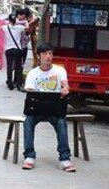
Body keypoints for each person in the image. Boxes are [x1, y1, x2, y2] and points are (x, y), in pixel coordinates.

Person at [22, 42, 75, 172]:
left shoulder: (59, 70)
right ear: (39, 56)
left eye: (50, 53)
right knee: (28, 121)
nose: (48, 56)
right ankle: (29, 156)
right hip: (37, 110)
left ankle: (64, 159)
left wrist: (66, 89)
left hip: (54, 109)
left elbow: (65, 85)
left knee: (61, 122)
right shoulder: (33, 73)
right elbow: (30, 91)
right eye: (45, 53)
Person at [2, 14, 26, 90]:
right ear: (16, 20)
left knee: (9, 67)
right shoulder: (20, 27)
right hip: (17, 49)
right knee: (18, 67)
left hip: (8, 49)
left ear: (9, 20)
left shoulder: (5, 27)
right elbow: (27, 28)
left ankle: (9, 84)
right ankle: (19, 84)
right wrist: (24, 22)